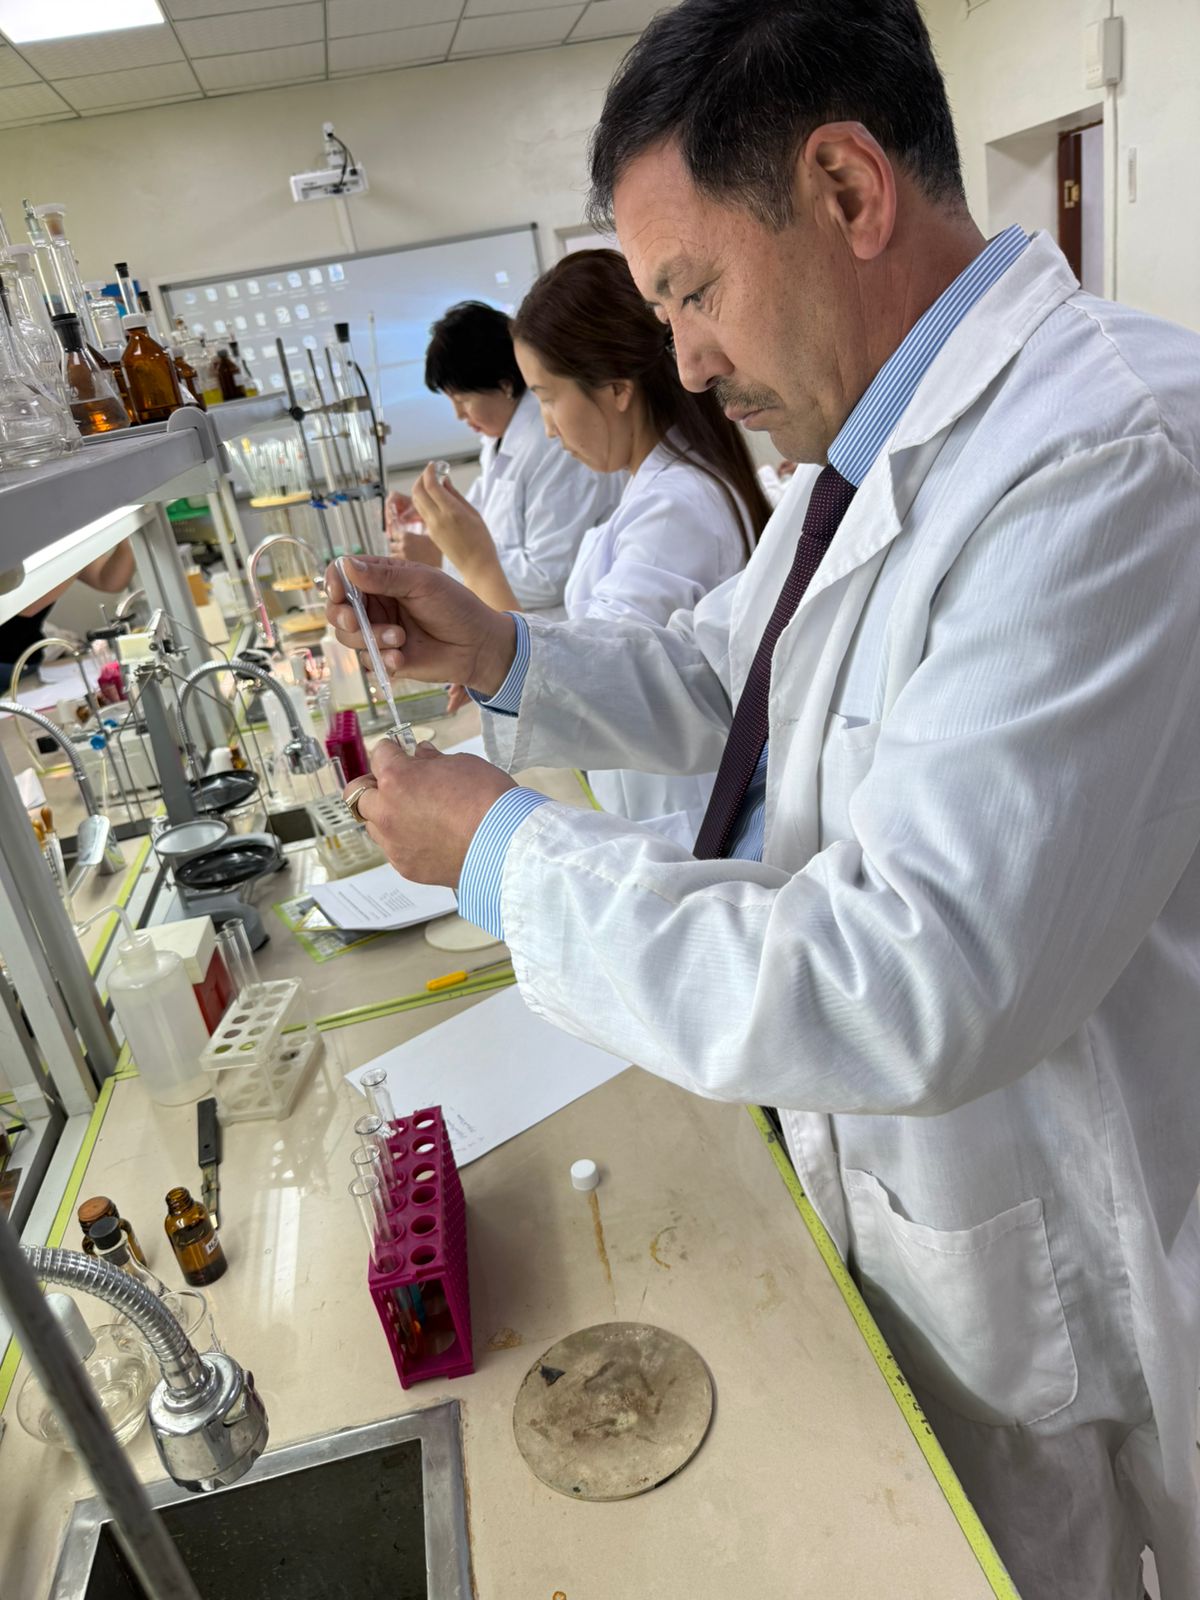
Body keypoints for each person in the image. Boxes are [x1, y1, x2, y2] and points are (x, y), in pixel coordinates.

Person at [327, 2, 1200, 1593]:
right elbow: (730, 676)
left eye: (691, 291)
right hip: (967, 1235)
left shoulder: (1100, 457)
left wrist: (505, 854)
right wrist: (503, 650)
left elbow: (918, 974)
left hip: (1108, 1244)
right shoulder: (857, 455)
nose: (682, 362)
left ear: (848, 191)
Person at [408, 249, 770, 841]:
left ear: (617, 389)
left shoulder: (675, 507)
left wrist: (478, 567)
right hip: (647, 801)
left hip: (682, 819)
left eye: (549, 398)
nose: (549, 427)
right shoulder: (653, 487)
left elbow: (606, 690)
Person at [386, 300, 621, 618]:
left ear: (505, 385)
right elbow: (479, 520)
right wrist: (429, 515)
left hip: (559, 623)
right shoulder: (499, 440)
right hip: (513, 618)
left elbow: (548, 576)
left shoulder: (554, 444)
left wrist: (443, 559)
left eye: (463, 399)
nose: (458, 415)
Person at [0, 540, 135, 693]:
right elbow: (25, 607)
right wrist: (78, 548)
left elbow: (107, 580)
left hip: (27, 660)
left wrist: (127, 543)